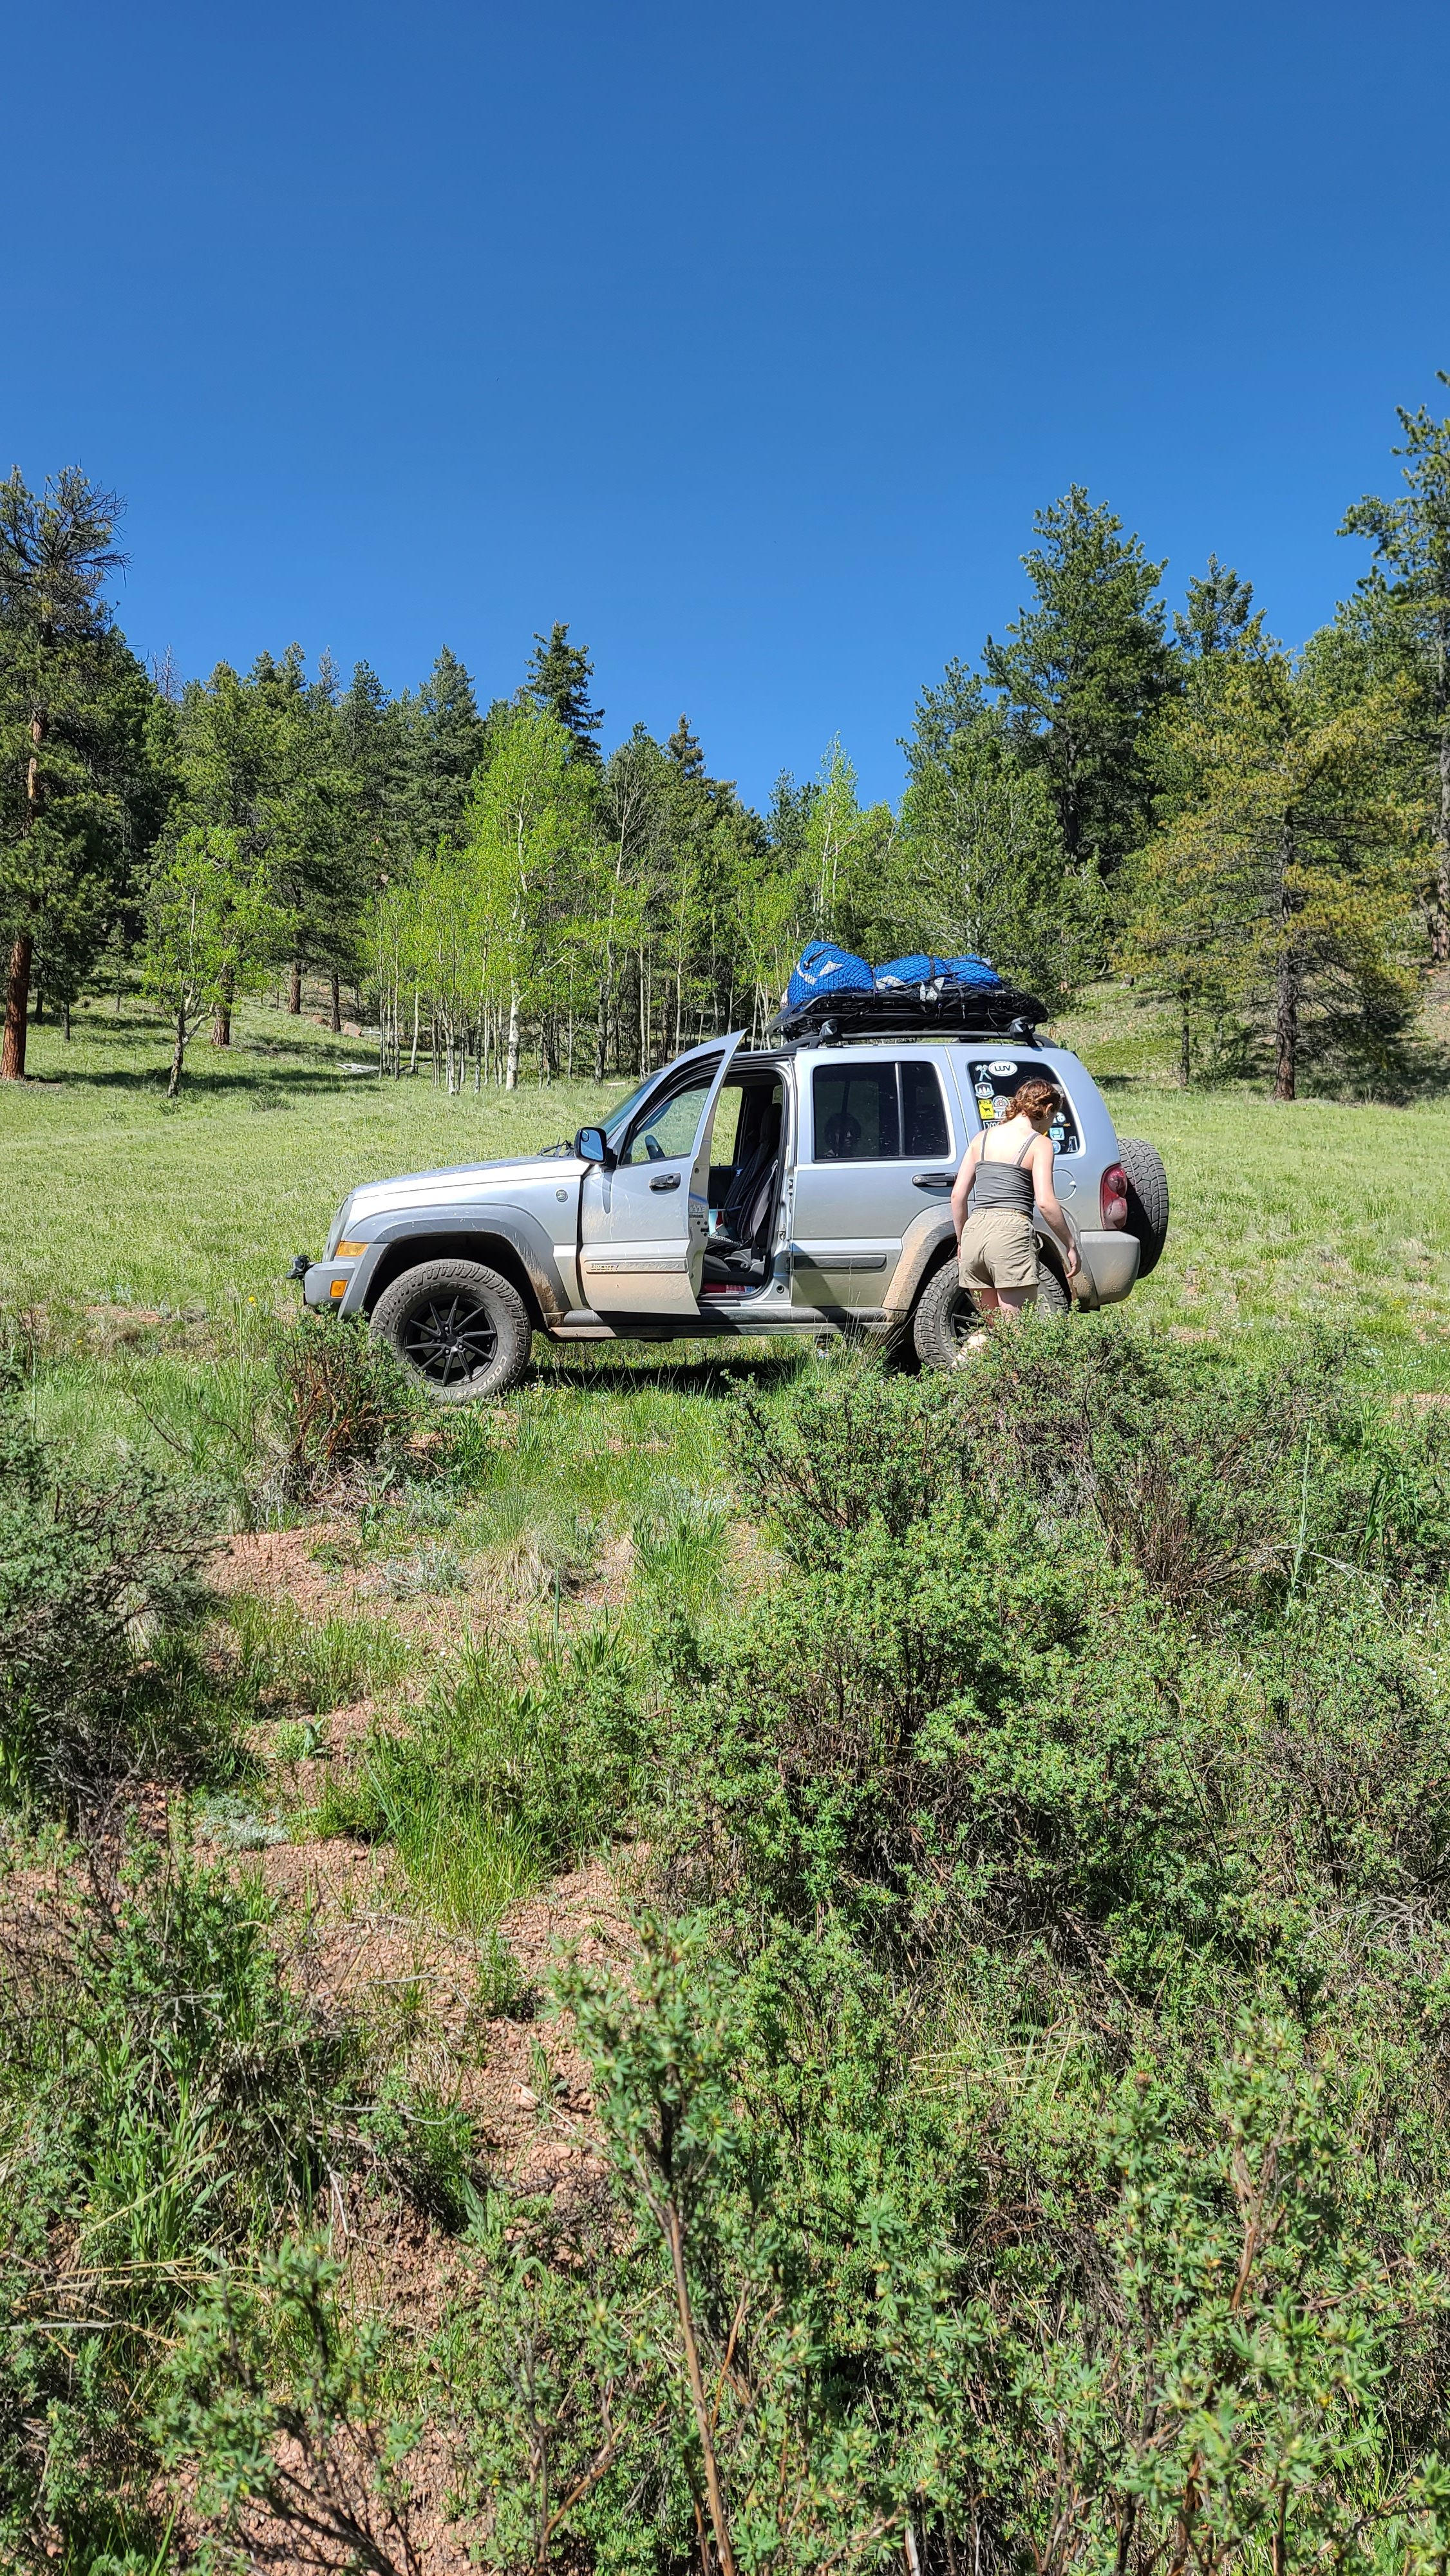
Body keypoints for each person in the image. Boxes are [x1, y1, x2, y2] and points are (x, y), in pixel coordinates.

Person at [950, 1075, 1078, 1327]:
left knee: (996, 1331)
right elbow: (1045, 1202)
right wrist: (1071, 1244)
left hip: (974, 1233)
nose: (1050, 1125)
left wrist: (962, 1240)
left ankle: (958, 1367)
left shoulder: (982, 1138)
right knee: (1016, 1336)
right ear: (1048, 1109)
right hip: (1010, 1233)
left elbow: (958, 1196)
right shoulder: (1040, 1144)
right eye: (1052, 1119)